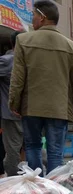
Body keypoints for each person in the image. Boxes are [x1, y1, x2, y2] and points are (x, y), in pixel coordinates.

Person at [9, 0, 73, 175]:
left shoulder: (23, 40)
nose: (32, 19)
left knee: (33, 147)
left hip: (31, 107)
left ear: (42, 18)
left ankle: (38, 190)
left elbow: (18, 78)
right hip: (59, 108)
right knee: (55, 152)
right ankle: (54, 192)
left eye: (34, 15)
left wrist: (14, 103)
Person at [0, 31, 23, 177]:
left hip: (29, 114)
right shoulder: (8, 60)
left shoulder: (29, 59)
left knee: (29, 149)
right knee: (13, 151)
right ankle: (14, 183)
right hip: (11, 115)